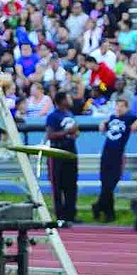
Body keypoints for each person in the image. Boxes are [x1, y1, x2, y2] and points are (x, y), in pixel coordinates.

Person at [93, 97, 135, 223]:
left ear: (126, 107)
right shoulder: (111, 118)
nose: (119, 108)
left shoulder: (129, 118)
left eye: (122, 106)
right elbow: (106, 122)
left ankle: (99, 206)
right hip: (106, 153)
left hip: (118, 154)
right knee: (105, 184)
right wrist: (104, 122)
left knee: (112, 183)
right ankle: (108, 213)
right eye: (117, 106)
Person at [45, 91, 79, 223]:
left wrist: (74, 134)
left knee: (71, 184)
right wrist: (67, 132)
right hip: (58, 151)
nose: (70, 100)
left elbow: (73, 131)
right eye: (68, 97)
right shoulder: (53, 116)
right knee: (58, 184)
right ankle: (60, 215)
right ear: (61, 101)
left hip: (71, 150)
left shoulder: (69, 114)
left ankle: (71, 213)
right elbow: (51, 135)